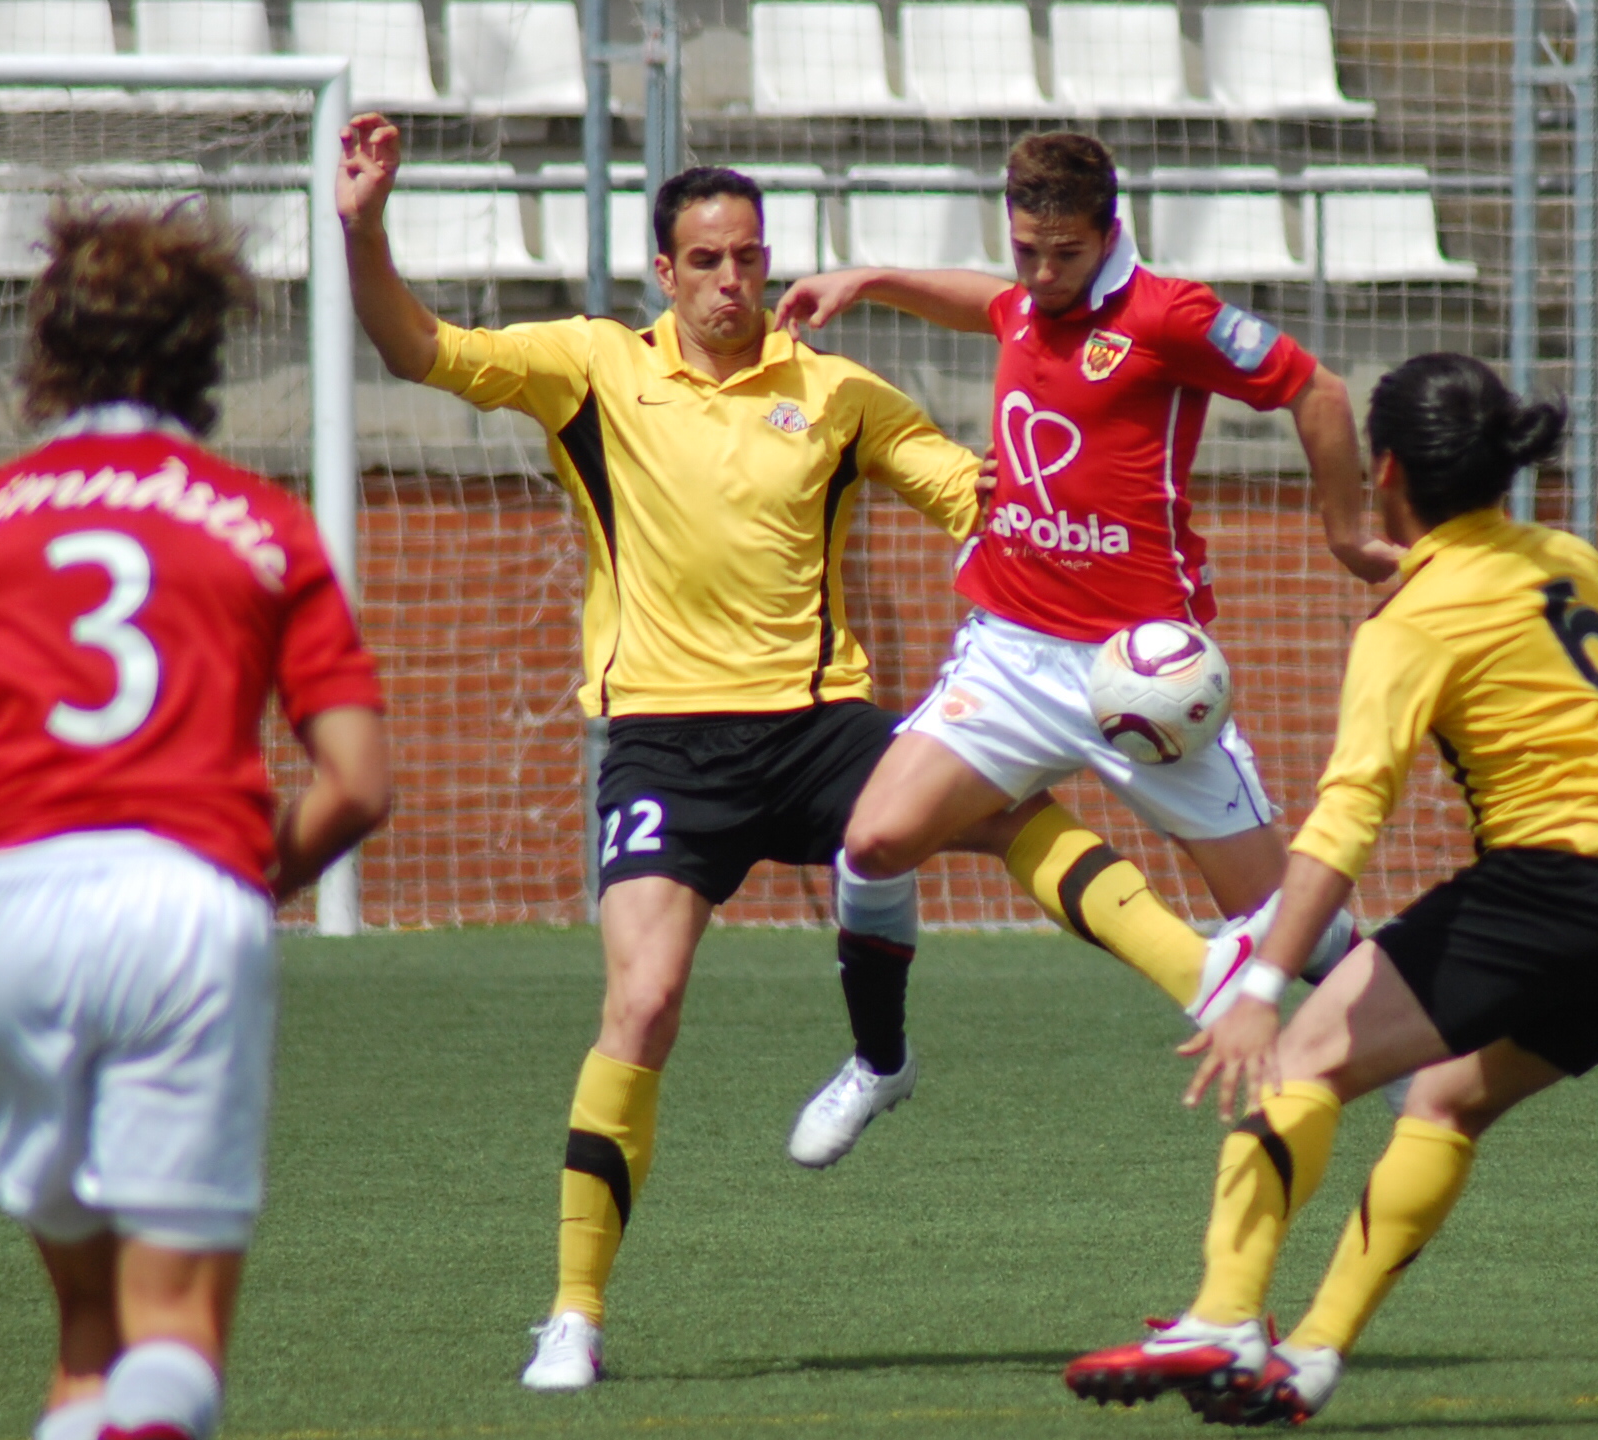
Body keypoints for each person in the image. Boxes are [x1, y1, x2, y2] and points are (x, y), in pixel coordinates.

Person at [335, 116, 1259, 1391]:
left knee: (997, 808)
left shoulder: (836, 391)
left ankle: (1204, 977)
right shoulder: (589, 367)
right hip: (663, 742)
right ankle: (574, 1314)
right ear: (663, 272)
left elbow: (980, 491)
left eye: (750, 259)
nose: (732, 282)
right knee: (643, 1001)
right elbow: (413, 347)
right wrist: (363, 225)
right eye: (706, 260)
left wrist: (1099, 526)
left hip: (821, 721)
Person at [1062, 353, 1598, 1426]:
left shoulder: (1410, 620)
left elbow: (1348, 817)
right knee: (1446, 1100)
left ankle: (1226, 1316)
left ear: (1384, 474)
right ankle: (1313, 1355)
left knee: (1301, 1058)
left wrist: (1262, 981)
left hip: (1557, 885)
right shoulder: (1566, 558)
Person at [775, 132, 1401, 1143]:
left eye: (1062, 253)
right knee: (875, 841)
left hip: (1142, 667)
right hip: (1012, 654)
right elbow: (983, 299)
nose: (1039, 272)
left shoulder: (1172, 313)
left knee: (1284, 910)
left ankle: (1406, 1046)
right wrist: (872, 278)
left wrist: (1346, 535)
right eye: (1025, 249)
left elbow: (1316, 390)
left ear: (1107, 233)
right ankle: (879, 1063)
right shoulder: (1023, 296)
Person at [0, 202, 391, 1440]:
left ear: (47, 351)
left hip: (21, 907)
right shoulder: (260, 526)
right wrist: (244, 882)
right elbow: (359, 784)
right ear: (203, 356)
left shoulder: (1, 514)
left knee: (85, 1338)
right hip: (187, 909)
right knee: (172, 1335)